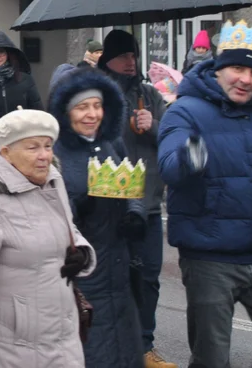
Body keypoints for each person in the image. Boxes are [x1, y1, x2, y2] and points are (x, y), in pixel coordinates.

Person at [158, 20, 252, 368]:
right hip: (210, 259)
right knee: (211, 359)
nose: (246, 79)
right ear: (219, 69)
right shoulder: (184, 110)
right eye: (237, 68)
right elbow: (169, 168)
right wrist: (190, 154)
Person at [0, 107, 95, 368]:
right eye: (32, 148)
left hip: (63, 335)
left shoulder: (52, 180)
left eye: (48, 146)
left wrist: (81, 251)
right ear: (6, 153)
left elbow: (66, 228)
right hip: (11, 346)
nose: (44, 156)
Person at [49, 63, 147, 368]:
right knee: (93, 350)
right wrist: (84, 205)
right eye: (82, 107)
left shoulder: (111, 143)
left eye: (97, 105)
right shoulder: (56, 155)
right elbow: (52, 219)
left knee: (125, 350)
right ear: (66, 112)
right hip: (85, 275)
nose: (92, 114)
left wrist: (134, 214)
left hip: (118, 270)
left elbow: (131, 185)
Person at [94, 29, 173, 368]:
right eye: (124, 55)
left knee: (149, 277)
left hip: (150, 203)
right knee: (114, 277)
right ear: (108, 59)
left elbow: (171, 137)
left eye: (134, 55)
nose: (131, 61)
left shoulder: (150, 95)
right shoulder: (98, 94)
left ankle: (144, 346)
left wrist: (152, 124)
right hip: (113, 203)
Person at [0, 30, 43, 140]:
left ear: (8, 54)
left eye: (1, 52)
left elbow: (37, 112)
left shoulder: (25, 79)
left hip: (20, 140)